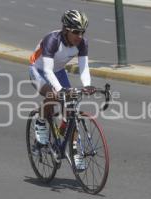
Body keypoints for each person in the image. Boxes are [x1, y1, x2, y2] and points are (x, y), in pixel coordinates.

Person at [29, 10, 96, 171]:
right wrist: (60, 90)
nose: (79, 36)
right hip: (39, 71)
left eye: (82, 32)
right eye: (76, 32)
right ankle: (41, 121)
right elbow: (47, 70)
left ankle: (72, 148)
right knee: (54, 95)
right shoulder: (52, 40)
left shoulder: (82, 43)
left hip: (58, 71)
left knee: (71, 109)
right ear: (66, 29)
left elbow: (84, 67)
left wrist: (87, 84)